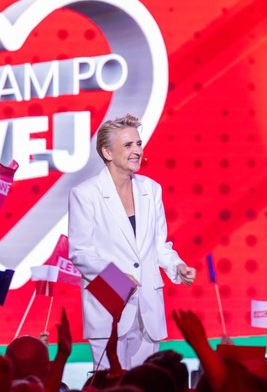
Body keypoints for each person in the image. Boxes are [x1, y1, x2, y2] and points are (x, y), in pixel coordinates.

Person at [68, 114, 197, 370]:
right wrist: (117, 278)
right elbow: (80, 254)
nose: (137, 150)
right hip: (109, 307)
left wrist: (177, 266)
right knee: (110, 383)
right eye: (128, 145)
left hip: (148, 309)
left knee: (147, 382)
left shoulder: (151, 189)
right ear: (107, 152)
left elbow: (158, 245)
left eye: (138, 144)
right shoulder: (85, 194)